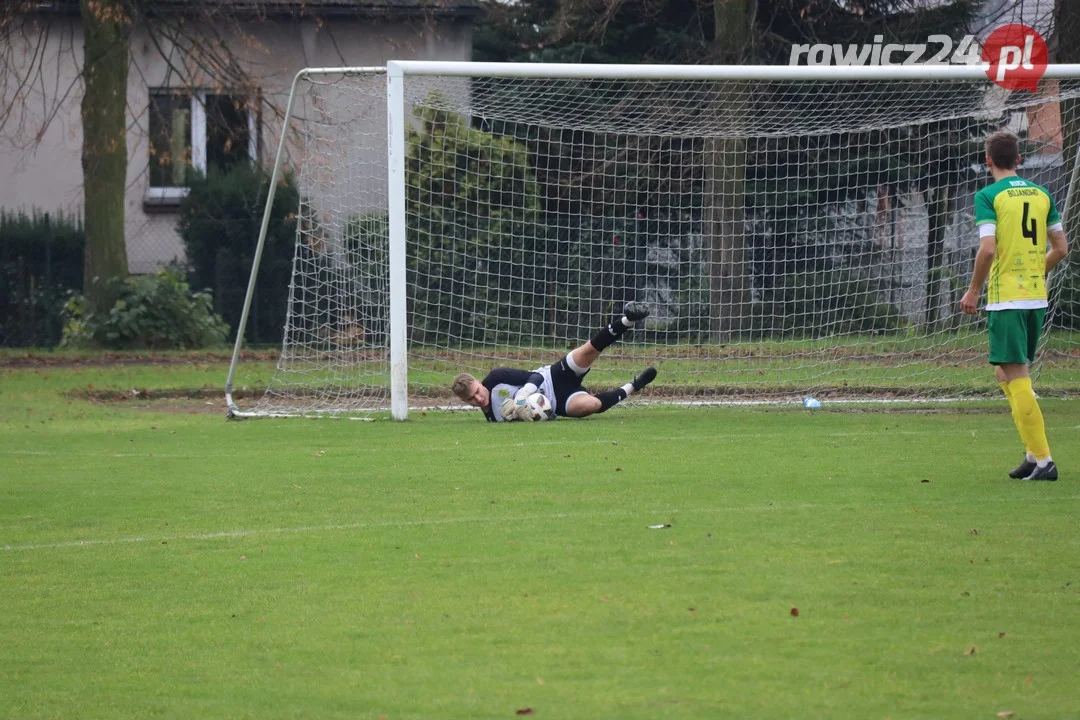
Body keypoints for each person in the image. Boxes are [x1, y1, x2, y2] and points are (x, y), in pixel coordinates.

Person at [960, 130, 1069, 481]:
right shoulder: (1041, 193)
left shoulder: (988, 196)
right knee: (1004, 373)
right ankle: (1031, 454)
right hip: (1035, 298)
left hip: (1007, 299)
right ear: (1018, 160)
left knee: (1017, 376)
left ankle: (1045, 461)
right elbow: (1062, 248)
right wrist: (1035, 272)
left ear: (988, 160)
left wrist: (974, 290)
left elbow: (988, 249)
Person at [451, 302, 658, 421]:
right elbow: (535, 418)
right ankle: (633, 386)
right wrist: (529, 414)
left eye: (477, 391)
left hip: (553, 376)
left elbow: (536, 377)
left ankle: (628, 319)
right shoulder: (493, 418)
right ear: (465, 402)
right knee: (591, 405)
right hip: (559, 402)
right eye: (471, 399)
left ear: (479, 382)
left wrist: (523, 395)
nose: (478, 398)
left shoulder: (496, 379)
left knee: (588, 351)